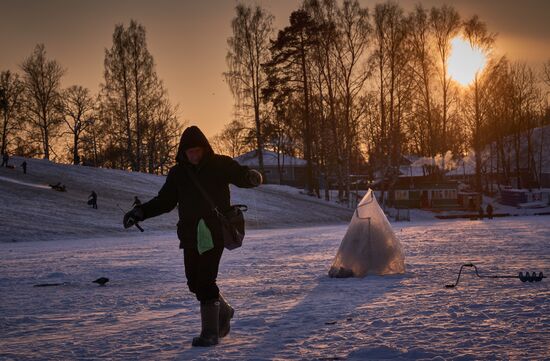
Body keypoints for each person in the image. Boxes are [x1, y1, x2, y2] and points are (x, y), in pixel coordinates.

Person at [123, 126, 262, 347]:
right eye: (190, 152)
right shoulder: (178, 173)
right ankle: (224, 311)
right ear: (183, 153)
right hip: (190, 234)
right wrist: (140, 212)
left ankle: (210, 333)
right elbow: (165, 201)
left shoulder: (220, 164)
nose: (195, 155)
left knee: (206, 279)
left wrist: (250, 177)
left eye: (198, 151)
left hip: (215, 231)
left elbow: (239, 174)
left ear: (205, 149)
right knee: (194, 282)